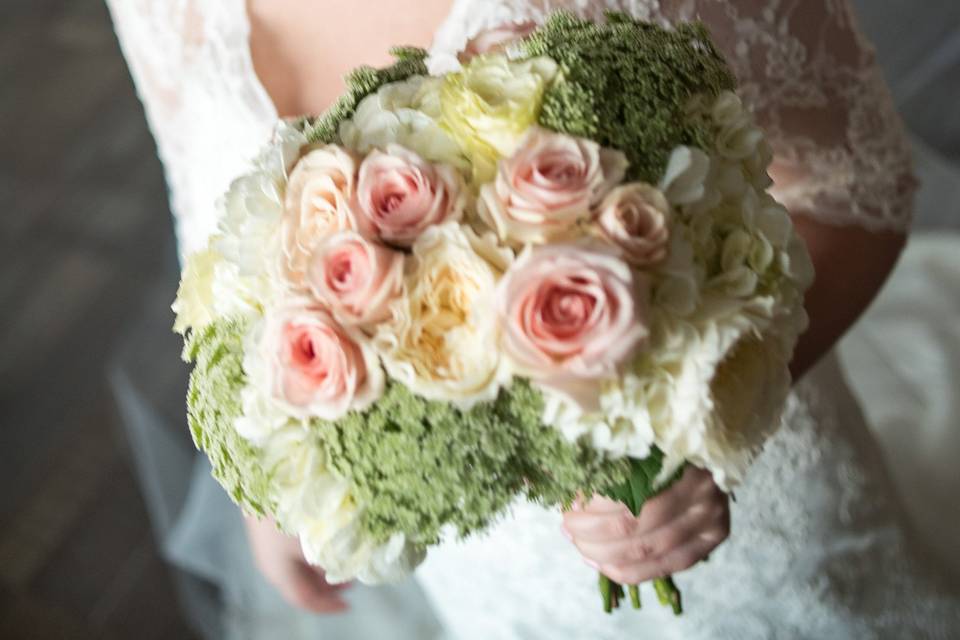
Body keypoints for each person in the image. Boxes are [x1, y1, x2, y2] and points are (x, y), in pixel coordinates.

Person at [106, 0, 960, 637]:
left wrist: (693, 432)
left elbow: (863, 185)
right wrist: (269, 468)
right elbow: (210, 212)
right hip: (484, 580)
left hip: (744, 546)